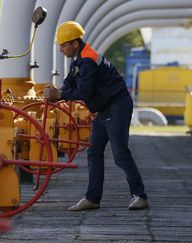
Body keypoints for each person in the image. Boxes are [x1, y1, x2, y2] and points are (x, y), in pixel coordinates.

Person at [45, 21, 148, 211]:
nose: (61, 50)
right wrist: (57, 91)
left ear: (75, 43)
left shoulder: (87, 61)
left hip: (117, 105)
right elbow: (70, 83)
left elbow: (83, 92)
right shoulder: (79, 59)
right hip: (105, 108)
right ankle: (93, 198)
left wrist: (59, 95)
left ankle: (140, 195)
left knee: (120, 154)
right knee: (94, 152)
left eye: (64, 44)